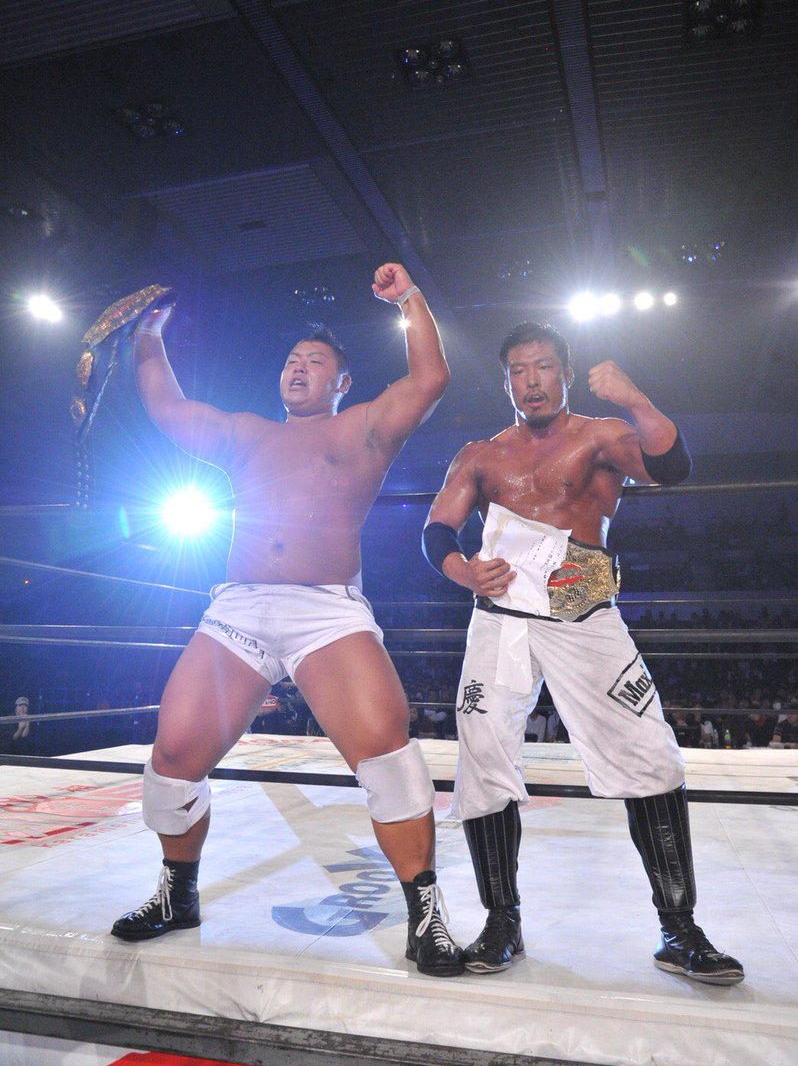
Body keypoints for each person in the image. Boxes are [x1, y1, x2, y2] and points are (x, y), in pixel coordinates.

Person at [110, 262, 465, 977]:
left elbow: (429, 378)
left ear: (342, 381)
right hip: (239, 606)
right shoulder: (246, 432)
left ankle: (426, 914)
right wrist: (148, 332)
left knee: (387, 754)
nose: (299, 367)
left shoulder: (364, 428)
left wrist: (408, 299)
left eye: (316, 361)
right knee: (173, 757)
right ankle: (178, 892)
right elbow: (167, 406)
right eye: (292, 359)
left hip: (324, 610)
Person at [422, 320, 744, 985]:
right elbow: (437, 531)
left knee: (649, 753)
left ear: (565, 374)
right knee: (483, 758)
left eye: (542, 366)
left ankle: (679, 929)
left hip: (583, 607)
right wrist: (463, 571)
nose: (531, 381)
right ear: (506, 382)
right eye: (517, 371)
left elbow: (672, 468)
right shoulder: (481, 454)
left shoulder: (601, 435)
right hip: (501, 615)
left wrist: (635, 398)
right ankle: (502, 922)